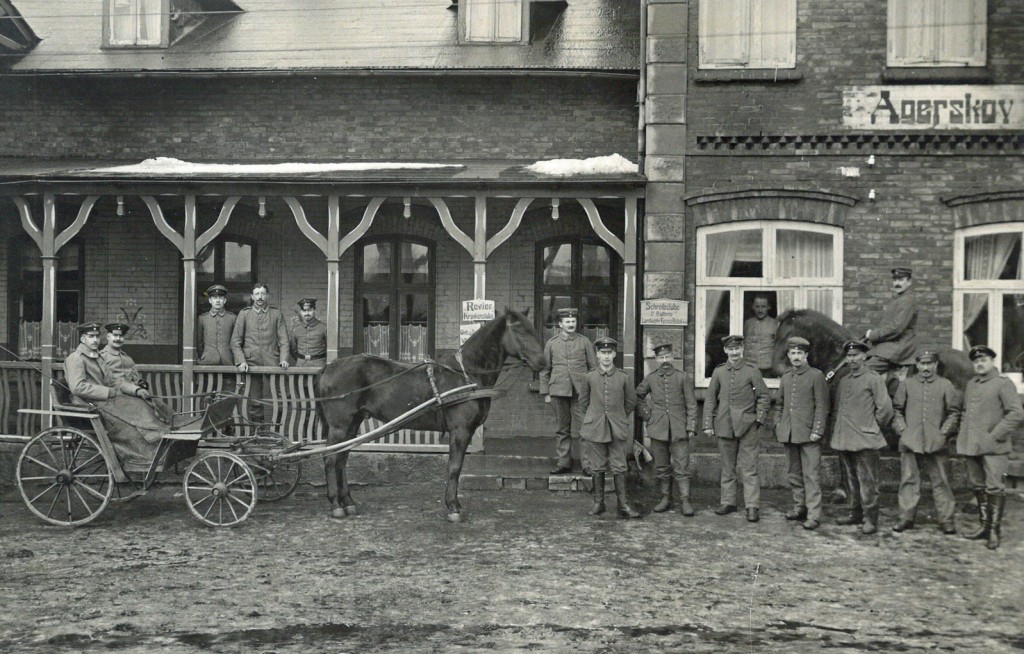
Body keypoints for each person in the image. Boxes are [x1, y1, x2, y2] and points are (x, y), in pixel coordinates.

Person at [64, 321, 170, 469]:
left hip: (104, 402)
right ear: (83, 339)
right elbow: (77, 387)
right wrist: (107, 392)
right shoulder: (76, 358)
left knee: (140, 405)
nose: (95, 340)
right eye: (91, 336)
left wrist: (136, 390)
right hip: (89, 405)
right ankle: (142, 457)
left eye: (97, 336)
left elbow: (114, 382)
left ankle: (156, 445)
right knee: (130, 423)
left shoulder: (97, 357)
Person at [956, 345, 1024, 550]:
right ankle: (984, 527)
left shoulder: (1003, 384)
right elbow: (966, 412)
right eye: (976, 361)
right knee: (978, 486)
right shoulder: (972, 384)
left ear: (992, 361)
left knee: (995, 487)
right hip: (972, 446)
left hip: (995, 447)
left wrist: (995, 435)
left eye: (983, 360)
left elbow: (1016, 414)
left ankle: (994, 530)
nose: (979, 363)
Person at [891, 350, 962, 535]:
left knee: (942, 482)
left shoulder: (945, 385)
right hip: (910, 440)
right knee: (908, 479)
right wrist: (903, 431)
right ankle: (905, 517)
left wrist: (943, 434)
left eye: (929, 364)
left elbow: (954, 413)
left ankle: (946, 519)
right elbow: (896, 410)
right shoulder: (907, 385)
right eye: (922, 364)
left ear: (936, 365)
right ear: (917, 365)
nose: (925, 368)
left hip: (936, 442)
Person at [703, 334, 770, 522]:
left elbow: (764, 397)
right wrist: (708, 424)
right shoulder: (719, 372)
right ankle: (728, 502)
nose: (734, 352)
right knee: (727, 467)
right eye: (730, 349)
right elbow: (710, 399)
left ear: (742, 349)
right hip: (724, 425)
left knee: (750, 468)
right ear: (725, 351)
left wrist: (758, 420)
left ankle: (752, 506)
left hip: (748, 426)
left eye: (737, 349)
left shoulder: (752, 371)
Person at [831, 340, 894, 535]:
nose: (851, 359)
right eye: (849, 356)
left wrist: (871, 427)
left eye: (855, 355)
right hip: (846, 438)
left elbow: (885, 409)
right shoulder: (845, 381)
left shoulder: (873, 379)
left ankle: (871, 519)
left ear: (864, 356)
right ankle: (855, 513)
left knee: (868, 482)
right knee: (851, 479)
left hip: (866, 439)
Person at [579, 337, 641, 519]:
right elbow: (583, 402)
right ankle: (599, 503)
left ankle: (623, 505)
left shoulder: (623, 377)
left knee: (619, 466)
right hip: (595, 427)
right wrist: (594, 417)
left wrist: (618, 416)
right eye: (602, 353)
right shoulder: (589, 377)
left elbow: (631, 401)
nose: (606, 357)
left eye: (609, 353)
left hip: (617, 428)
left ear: (614, 354)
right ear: (597, 355)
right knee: (596, 466)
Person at [636, 342, 697, 515]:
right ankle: (666, 499)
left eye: (667, 356)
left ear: (673, 357)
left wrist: (691, 426)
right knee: (662, 466)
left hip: (679, 428)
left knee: (682, 466)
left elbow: (691, 404)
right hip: (658, 429)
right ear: (656, 359)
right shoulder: (651, 378)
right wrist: (649, 416)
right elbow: (638, 396)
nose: (664, 360)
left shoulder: (682, 377)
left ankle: (685, 501)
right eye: (661, 357)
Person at [774, 336, 829, 530]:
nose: (796, 357)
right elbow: (779, 404)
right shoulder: (787, 378)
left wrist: (817, 430)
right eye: (793, 353)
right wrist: (778, 424)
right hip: (789, 433)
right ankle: (800, 508)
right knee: (794, 474)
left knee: (811, 476)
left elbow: (822, 406)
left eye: (800, 353)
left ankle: (814, 515)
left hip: (809, 435)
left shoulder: (816, 376)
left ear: (806, 355)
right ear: (788, 355)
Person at [539, 307, 596, 475]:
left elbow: (593, 368)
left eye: (573, 321)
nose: (571, 324)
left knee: (585, 429)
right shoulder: (552, 343)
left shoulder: (584, 342)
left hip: (581, 393)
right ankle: (564, 463)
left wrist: (593, 391)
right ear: (560, 324)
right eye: (567, 322)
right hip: (558, 392)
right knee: (562, 429)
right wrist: (546, 393)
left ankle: (587, 465)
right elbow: (545, 370)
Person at [230, 282, 290, 422]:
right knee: (255, 400)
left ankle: (277, 429)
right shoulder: (244, 314)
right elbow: (235, 342)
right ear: (252, 296)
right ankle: (259, 432)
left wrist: (284, 359)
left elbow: (284, 340)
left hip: (273, 361)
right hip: (251, 363)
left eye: (262, 294)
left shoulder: (276, 314)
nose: (260, 297)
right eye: (257, 294)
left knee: (281, 396)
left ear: (267, 296)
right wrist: (241, 361)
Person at [864, 267, 917, 376]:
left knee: (864, 372)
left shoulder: (907, 300)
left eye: (901, 280)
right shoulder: (898, 298)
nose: (897, 283)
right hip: (890, 345)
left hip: (899, 346)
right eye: (895, 280)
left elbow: (897, 328)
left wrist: (873, 335)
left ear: (909, 282)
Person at [99, 321, 148, 389]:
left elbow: (136, 380)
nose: (118, 339)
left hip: (131, 394)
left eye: (121, 336)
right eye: (115, 335)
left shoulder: (128, 359)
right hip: (113, 395)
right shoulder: (101, 357)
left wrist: (141, 383)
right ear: (108, 337)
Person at [196, 284, 236, 366]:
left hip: (228, 362)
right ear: (210, 300)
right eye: (214, 298)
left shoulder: (232, 318)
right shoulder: (202, 318)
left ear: (225, 300)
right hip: (207, 361)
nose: (218, 301)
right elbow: (199, 342)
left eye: (221, 298)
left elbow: (236, 341)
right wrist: (204, 356)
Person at [743, 295, 779, 378]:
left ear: (769, 307)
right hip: (748, 366)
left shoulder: (775, 324)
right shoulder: (748, 323)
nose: (760, 310)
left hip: (766, 369)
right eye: (757, 306)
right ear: (753, 307)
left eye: (763, 307)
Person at [289, 298, 327, 367]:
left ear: (314, 310)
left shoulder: (324, 328)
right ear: (300, 312)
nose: (306, 313)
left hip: (319, 365)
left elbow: (329, 348)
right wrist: (301, 359)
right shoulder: (296, 329)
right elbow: (293, 350)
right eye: (304, 311)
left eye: (309, 310)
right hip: (301, 365)